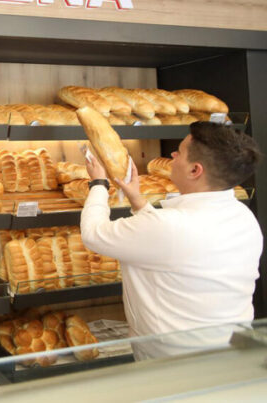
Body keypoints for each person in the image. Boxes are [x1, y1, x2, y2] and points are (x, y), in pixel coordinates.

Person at [80, 121, 263, 359]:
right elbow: (170, 243)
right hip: (233, 354)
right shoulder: (243, 217)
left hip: (175, 364)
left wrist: (98, 184)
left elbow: (93, 233)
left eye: (180, 152)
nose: (173, 156)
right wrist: (137, 199)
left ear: (195, 170)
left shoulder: (168, 226)